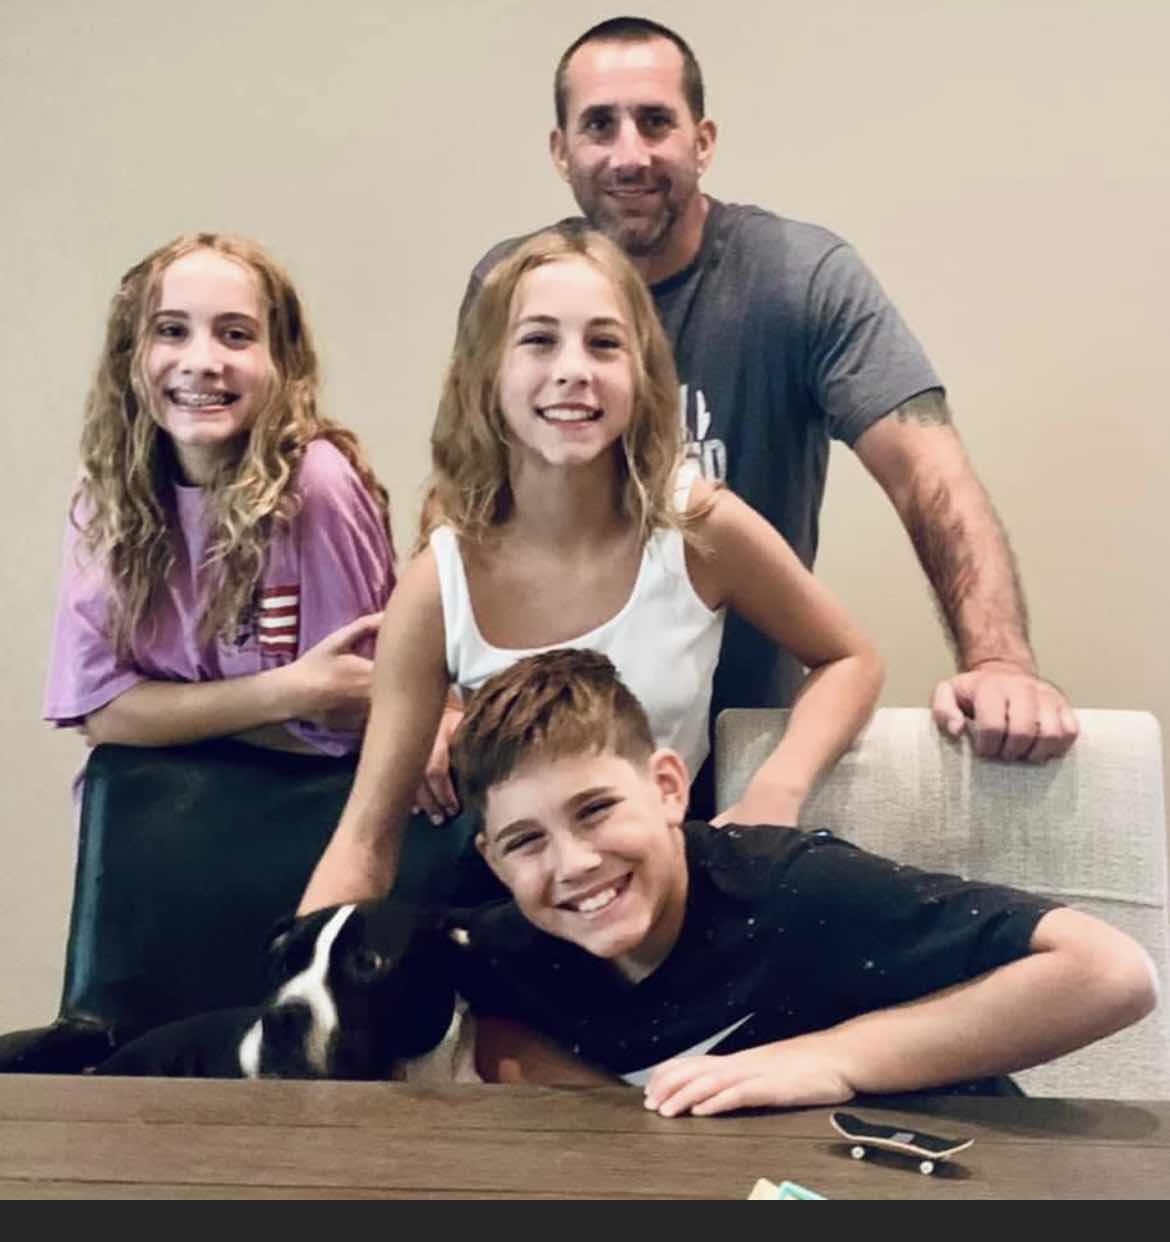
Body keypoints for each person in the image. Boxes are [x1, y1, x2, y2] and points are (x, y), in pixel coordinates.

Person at [462, 16, 1078, 792]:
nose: (629, 154)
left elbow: (928, 473)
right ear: (561, 150)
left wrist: (998, 661)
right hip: (541, 768)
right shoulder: (511, 287)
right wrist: (441, 699)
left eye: (655, 122)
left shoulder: (797, 279)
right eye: (599, 125)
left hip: (741, 747)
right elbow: (471, 490)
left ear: (703, 141)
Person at [297, 224, 882, 913]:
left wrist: (773, 794)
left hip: (669, 893)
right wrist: (299, 971)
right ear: (488, 373)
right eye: (539, 340)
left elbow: (851, 659)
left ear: (642, 375)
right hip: (518, 909)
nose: (574, 369)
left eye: (604, 343)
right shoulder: (437, 584)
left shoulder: (696, 528)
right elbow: (365, 842)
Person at [450, 648, 1155, 1114]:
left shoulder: (794, 888)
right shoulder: (504, 950)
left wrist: (831, 1059)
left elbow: (1111, 973)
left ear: (667, 787)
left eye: (596, 810)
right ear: (493, 861)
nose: (573, 864)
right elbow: (495, 1034)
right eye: (526, 841)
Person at [45, 233, 395, 763]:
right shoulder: (106, 489)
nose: (202, 361)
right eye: (171, 331)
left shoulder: (315, 485)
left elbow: (347, 716)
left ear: (281, 361)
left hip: (298, 805)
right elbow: (101, 713)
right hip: (146, 809)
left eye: (236, 335)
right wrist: (285, 692)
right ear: (130, 354)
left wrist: (162, 715)